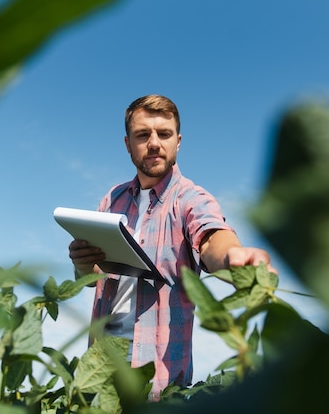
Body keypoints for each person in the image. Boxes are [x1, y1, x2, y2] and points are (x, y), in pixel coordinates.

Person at [68, 94, 276, 400]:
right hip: (99, 372)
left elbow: (210, 237)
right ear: (128, 144)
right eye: (143, 135)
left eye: (164, 134)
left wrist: (232, 255)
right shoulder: (110, 201)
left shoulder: (191, 199)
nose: (154, 143)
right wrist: (83, 265)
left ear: (178, 142)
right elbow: (95, 276)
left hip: (158, 384)